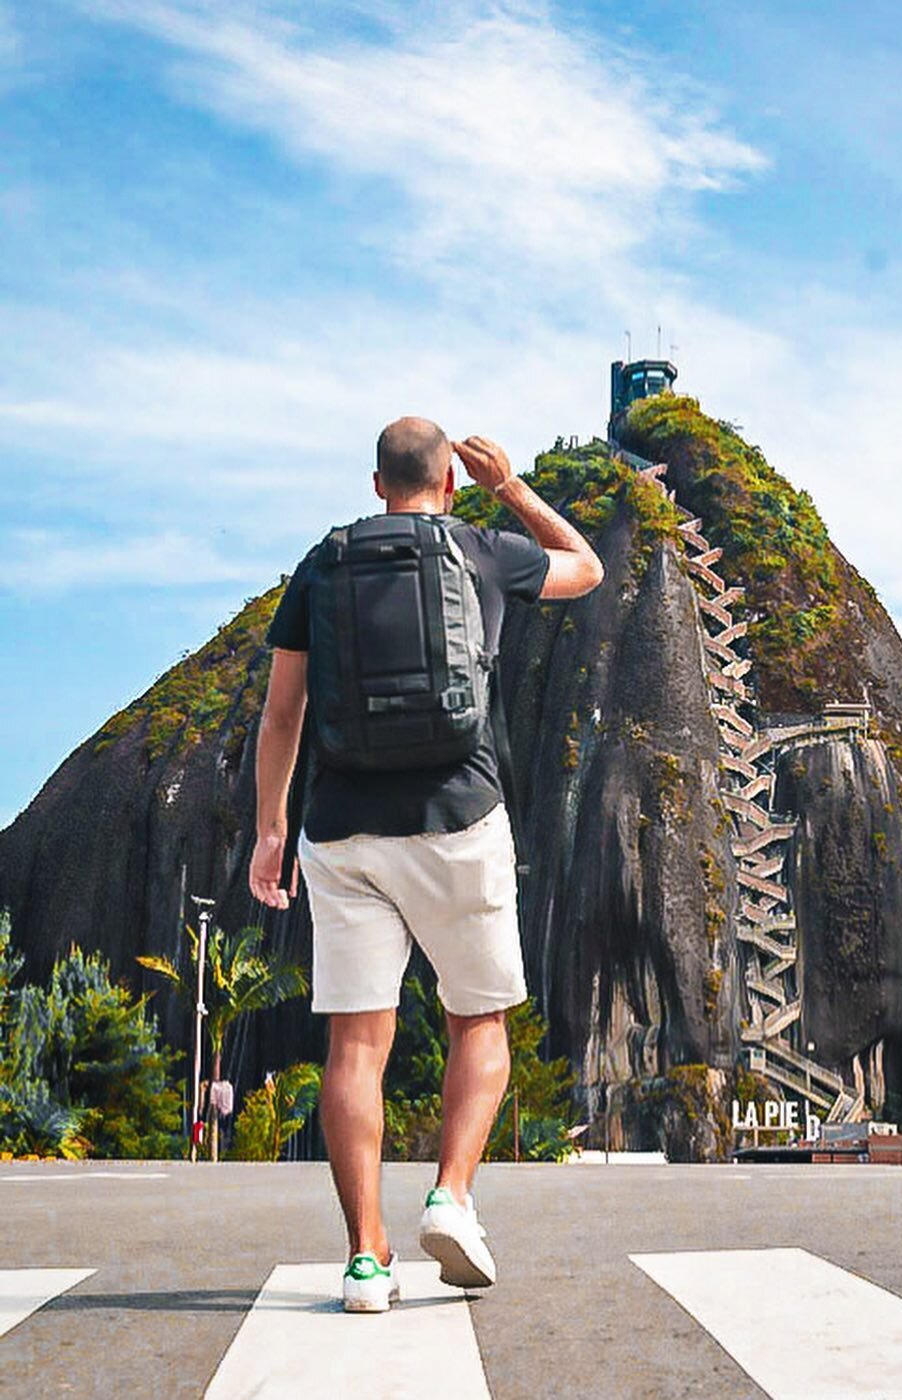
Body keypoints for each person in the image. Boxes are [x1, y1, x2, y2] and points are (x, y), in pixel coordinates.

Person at [248, 418, 604, 1313]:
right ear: (448, 480)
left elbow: (282, 714)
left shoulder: (320, 567)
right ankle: (451, 1193)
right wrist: (512, 489)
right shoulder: (481, 549)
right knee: (481, 1019)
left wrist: (269, 829)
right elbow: (586, 569)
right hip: (459, 817)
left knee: (355, 1047)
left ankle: (366, 1258)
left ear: (376, 484)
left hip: (343, 831)